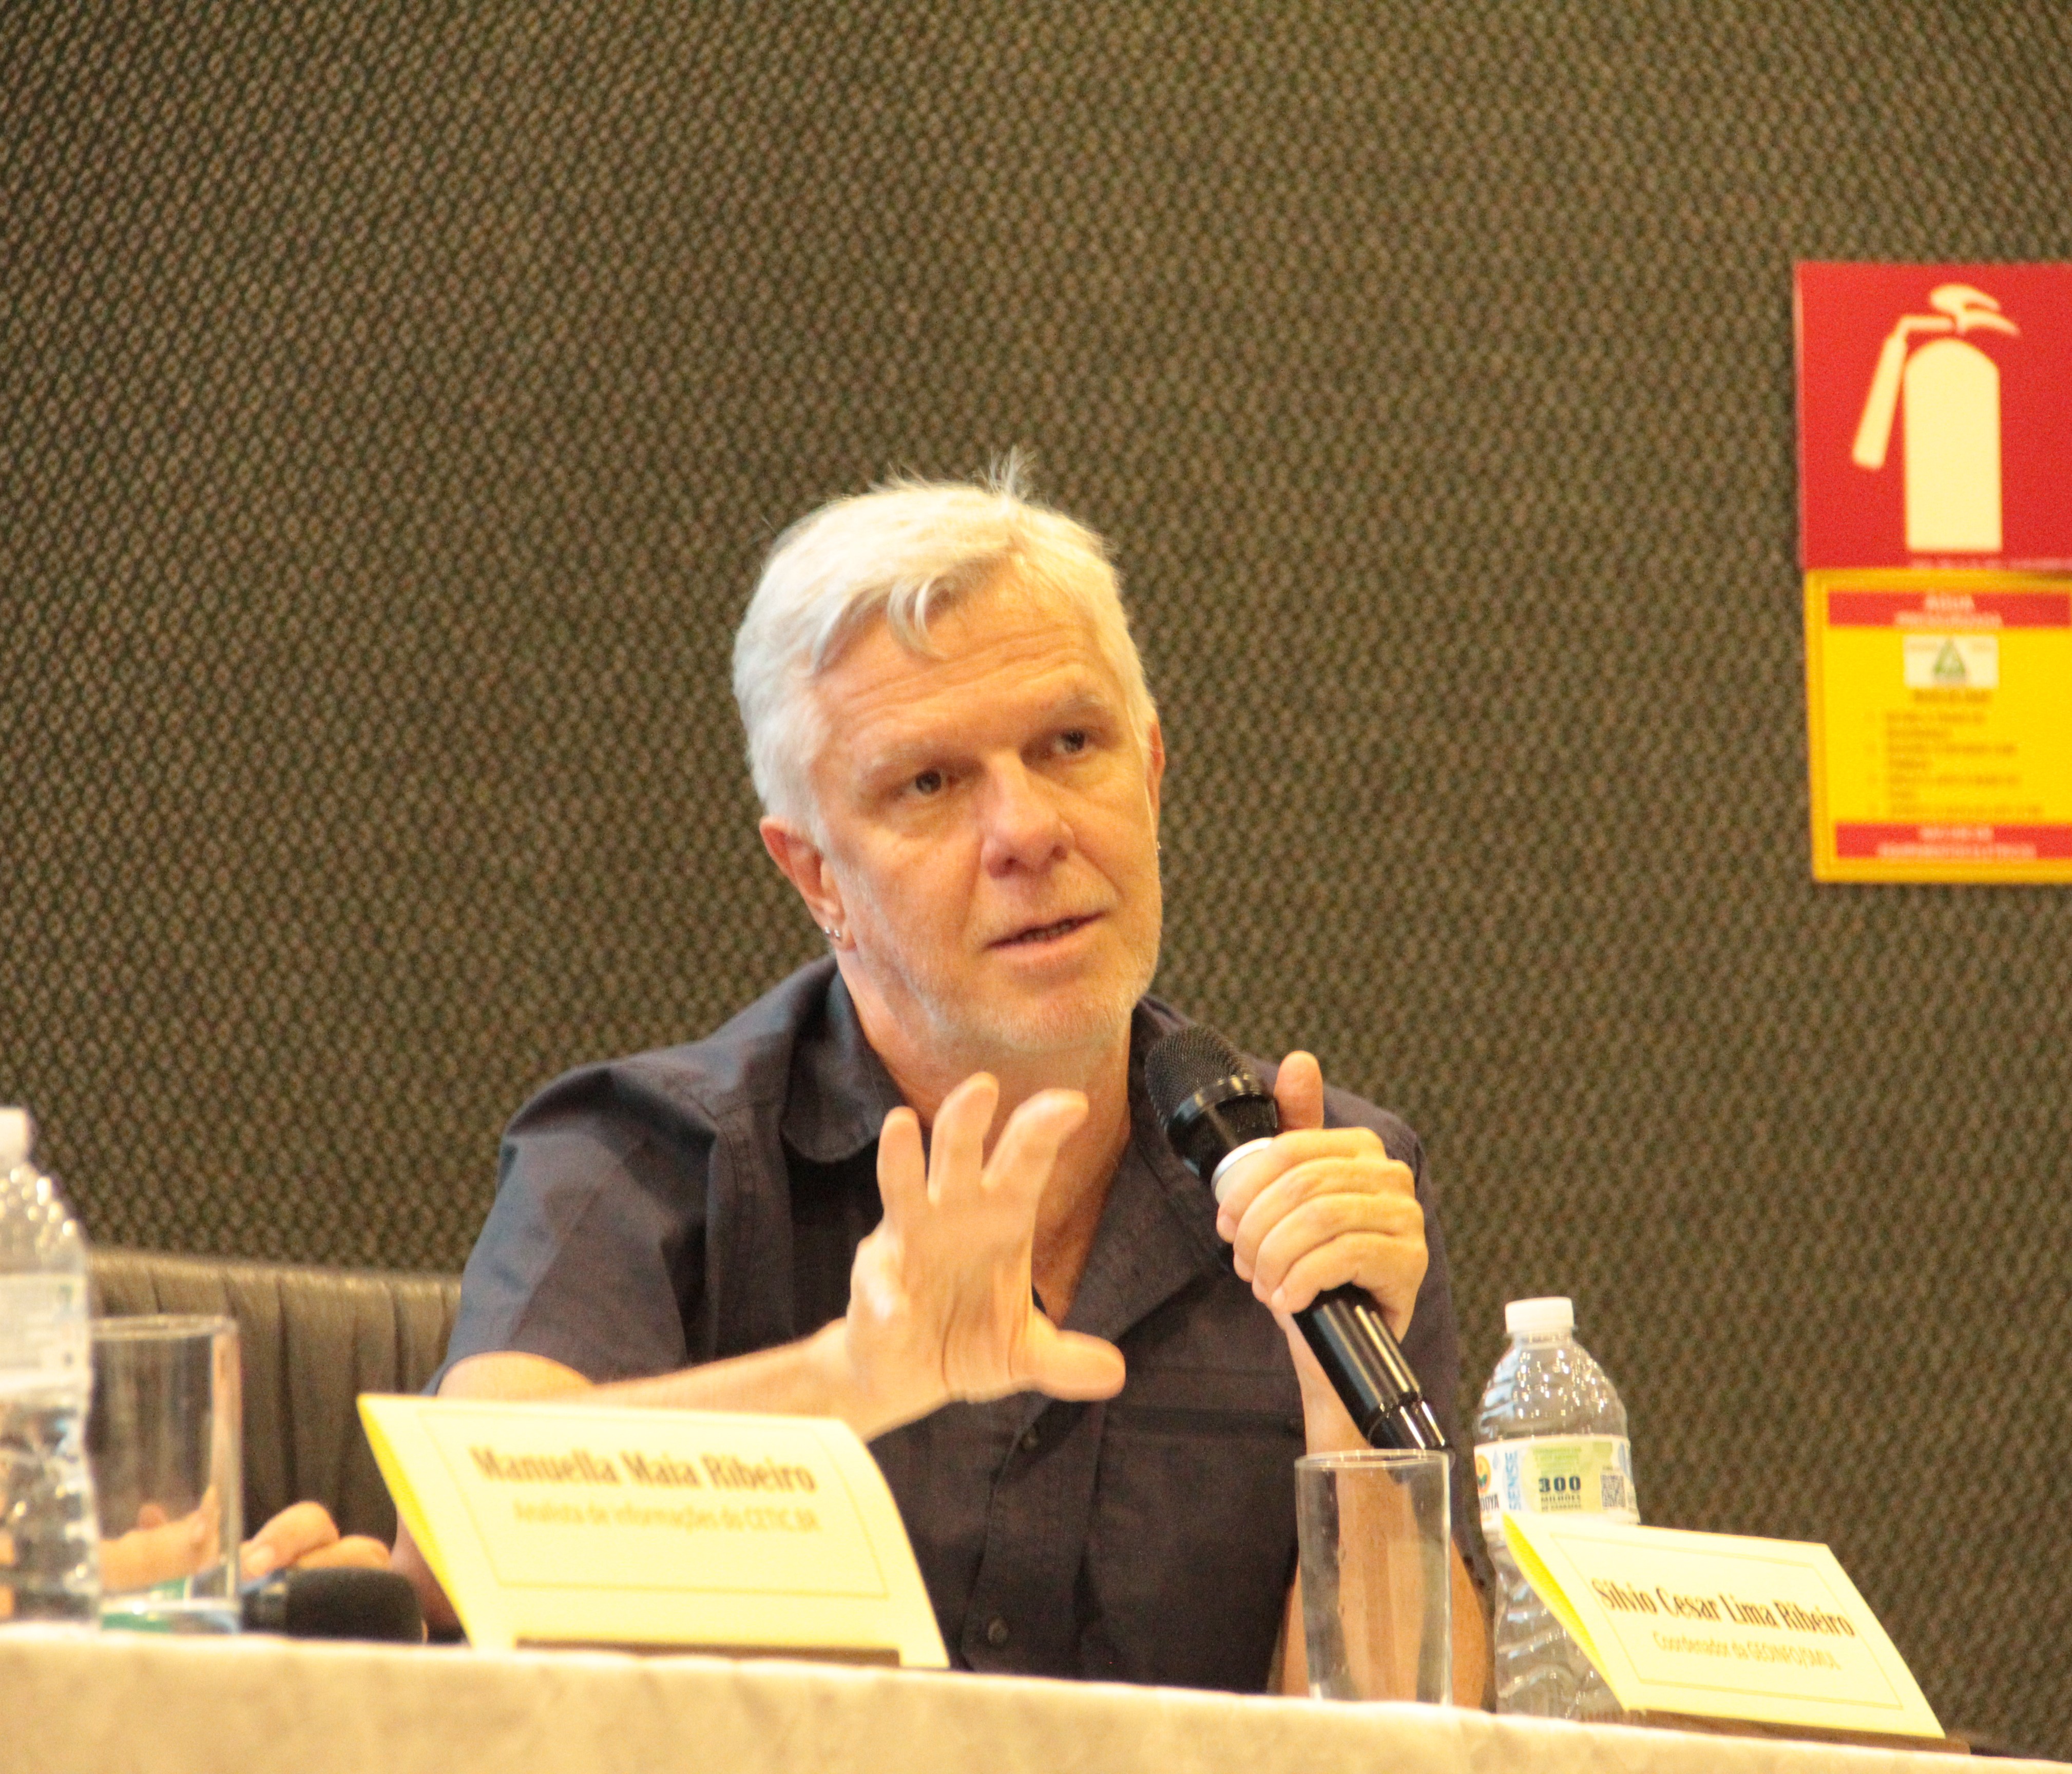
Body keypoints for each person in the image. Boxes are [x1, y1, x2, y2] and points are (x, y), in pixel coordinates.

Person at [396, 468, 1488, 1698]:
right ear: (815, 876)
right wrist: (851, 1379)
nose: (1026, 831)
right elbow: (446, 1544)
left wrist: (1348, 1424)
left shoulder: (1316, 1177)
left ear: (1150, 774)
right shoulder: (651, 1155)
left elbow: (1414, 1744)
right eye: (928, 783)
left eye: (1069, 745)